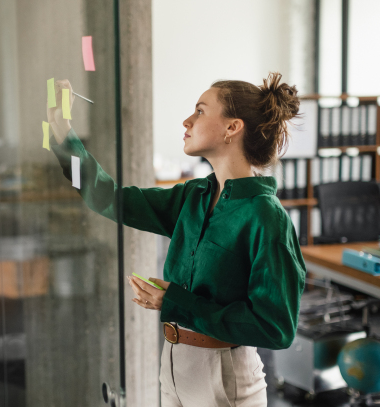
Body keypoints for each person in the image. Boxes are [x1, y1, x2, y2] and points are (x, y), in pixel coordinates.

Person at [47, 72, 306, 407]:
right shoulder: (194, 195)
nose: (187, 120)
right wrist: (63, 132)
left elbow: (276, 328)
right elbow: (110, 198)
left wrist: (174, 302)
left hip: (224, 377)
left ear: (232, 128)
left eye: (200, 111)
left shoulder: (266, 217)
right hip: (173, 364)